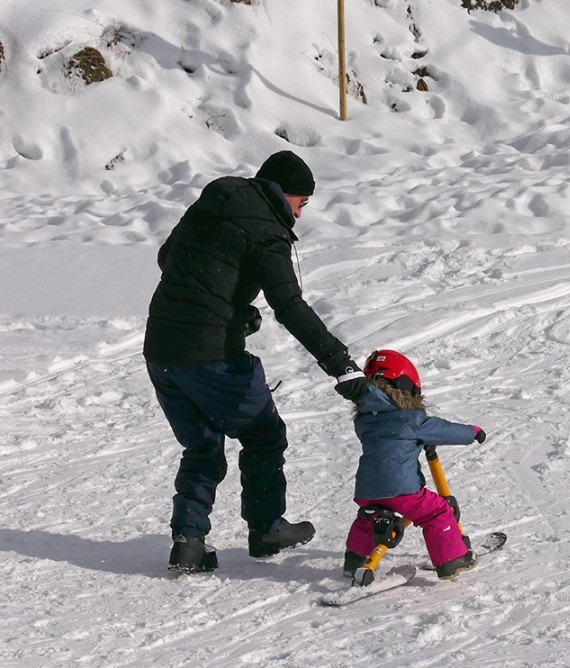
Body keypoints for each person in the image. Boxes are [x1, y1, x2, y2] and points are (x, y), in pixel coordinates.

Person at [143, 150, 368, 573]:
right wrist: (341, 364)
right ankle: (266, 528)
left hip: (160, 350)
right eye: (301, 204)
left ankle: (189, 542)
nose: (299, 216)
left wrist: (229, 306)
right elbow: (289, 305)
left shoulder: (214, 200)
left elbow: (169, 256)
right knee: (263, 434)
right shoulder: (267, 231)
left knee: (202, 444)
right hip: (211, 355)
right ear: (285, 195)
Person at [342, 350, 487, 580]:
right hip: (401, 489)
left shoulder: (365, 419)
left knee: (371, 517)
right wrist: (473, 433)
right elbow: (443, 430)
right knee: (437, 511)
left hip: (367, 489)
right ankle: (452, 560)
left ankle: (355, 559)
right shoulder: (410, 419)